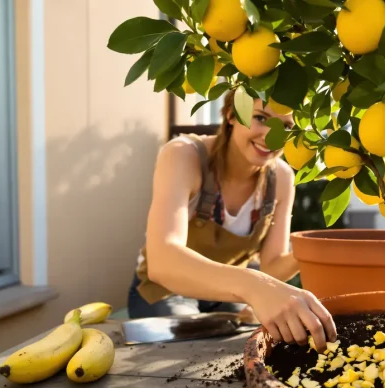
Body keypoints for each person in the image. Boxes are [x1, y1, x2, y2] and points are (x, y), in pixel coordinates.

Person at [127, 90, 336, 351]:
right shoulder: (183, 155)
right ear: (230, 114)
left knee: (250, 345)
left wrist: (311, 251)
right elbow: (162, 261)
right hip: (165, 290)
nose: (272, 137)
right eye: (260, 118)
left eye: (285, 126)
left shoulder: (280, 178)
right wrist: (254, 285)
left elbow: (271, 267)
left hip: (228, 294)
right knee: (190, 349)